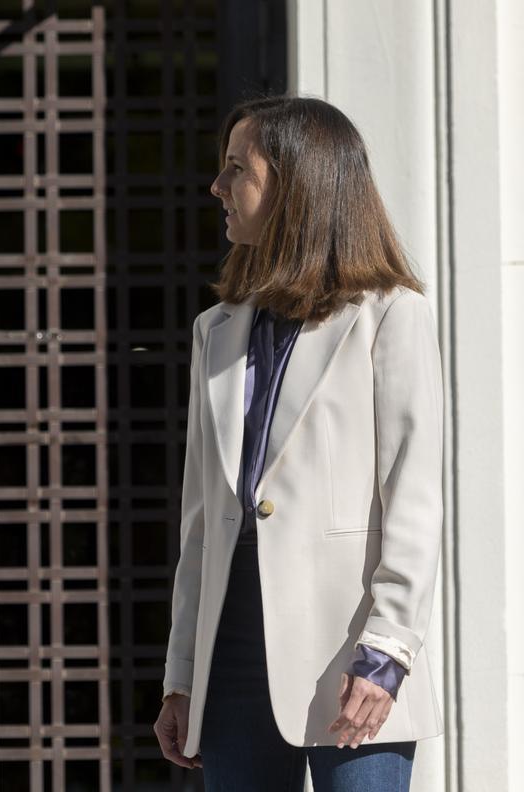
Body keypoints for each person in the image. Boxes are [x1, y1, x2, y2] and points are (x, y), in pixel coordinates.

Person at [152, 95, 443, 791]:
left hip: (352, 655)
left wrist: (388, 650)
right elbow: (202, 522)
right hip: (232, 657)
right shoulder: (214, 332)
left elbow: (415, 499)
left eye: (235, 170)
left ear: (295, 183)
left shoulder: (390, 316)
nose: (217, 188)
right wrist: (182, 675)